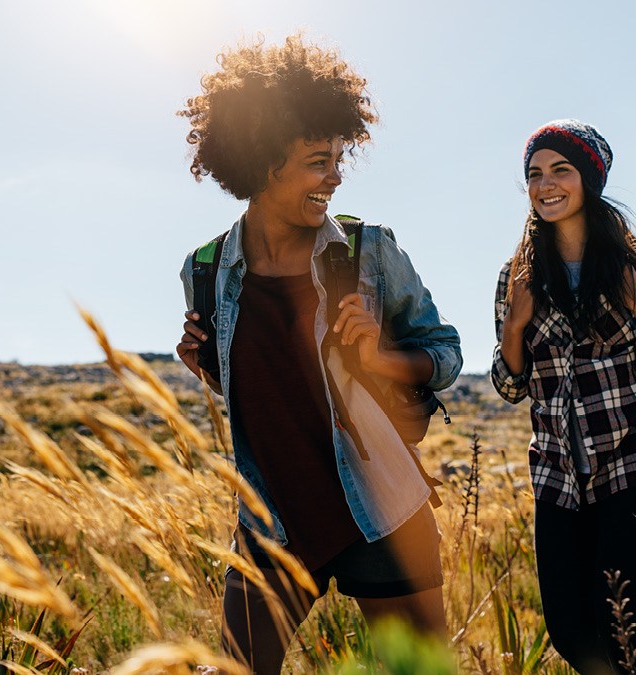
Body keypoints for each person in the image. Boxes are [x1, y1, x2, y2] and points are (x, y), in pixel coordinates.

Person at [174, 36, 461, 675]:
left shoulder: (369, 251)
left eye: (338, 158)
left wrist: (383, 358)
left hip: (381, 509)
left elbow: (443, 352)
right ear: (261, 160)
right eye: (316, 161)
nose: (335, 176)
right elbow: (261, 389)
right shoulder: (207, 269)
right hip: (271, 519)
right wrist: (207, 367)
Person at [491, 119, 636, 674]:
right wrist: (514, 325)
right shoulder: (518, 274)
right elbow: (510, 387)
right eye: (534, 174)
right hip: (558, 469)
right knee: (567, 627)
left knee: (619, 620)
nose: (545, 184)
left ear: (589, 179)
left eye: (561, 170)